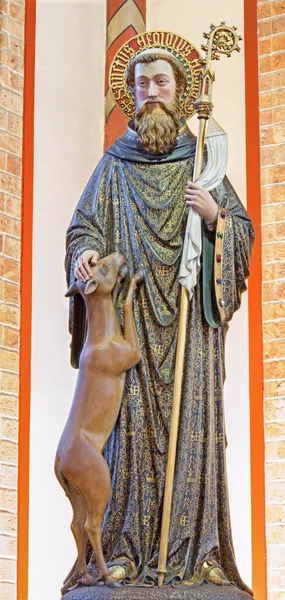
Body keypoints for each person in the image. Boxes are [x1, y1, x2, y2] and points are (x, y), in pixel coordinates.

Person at [65, 32, 254, 594]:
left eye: (161, 82)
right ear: (132, 93)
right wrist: (85, 254)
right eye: (142, 83)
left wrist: (218, 214)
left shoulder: (204, 159)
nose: (151, 92)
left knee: (191, 433)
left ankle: (197, 553)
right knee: (125, 434)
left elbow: (242, 236)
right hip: (132, 321)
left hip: (193, 326)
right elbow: (83, 227)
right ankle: (121, 551)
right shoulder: (114, 165)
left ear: (179, 92)